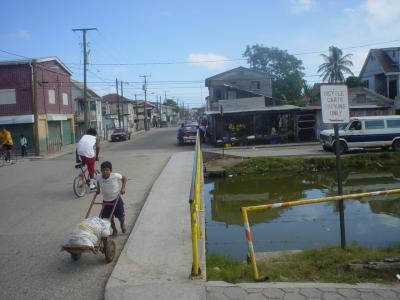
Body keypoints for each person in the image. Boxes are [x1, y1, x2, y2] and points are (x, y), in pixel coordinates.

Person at [96, 161, 127, 236]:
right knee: (108, 218)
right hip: (106, 201)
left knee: (121, 216)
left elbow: (124, 178)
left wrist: (123, 188)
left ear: (110, 170)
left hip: (116, 199)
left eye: (107, 170)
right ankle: (115, 230)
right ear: (101, 171)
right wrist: (98, 189)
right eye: (103, 170)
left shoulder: (115, 176)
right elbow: (98, 181)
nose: (105, 172)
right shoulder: (99, 176)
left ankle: (122, 224)